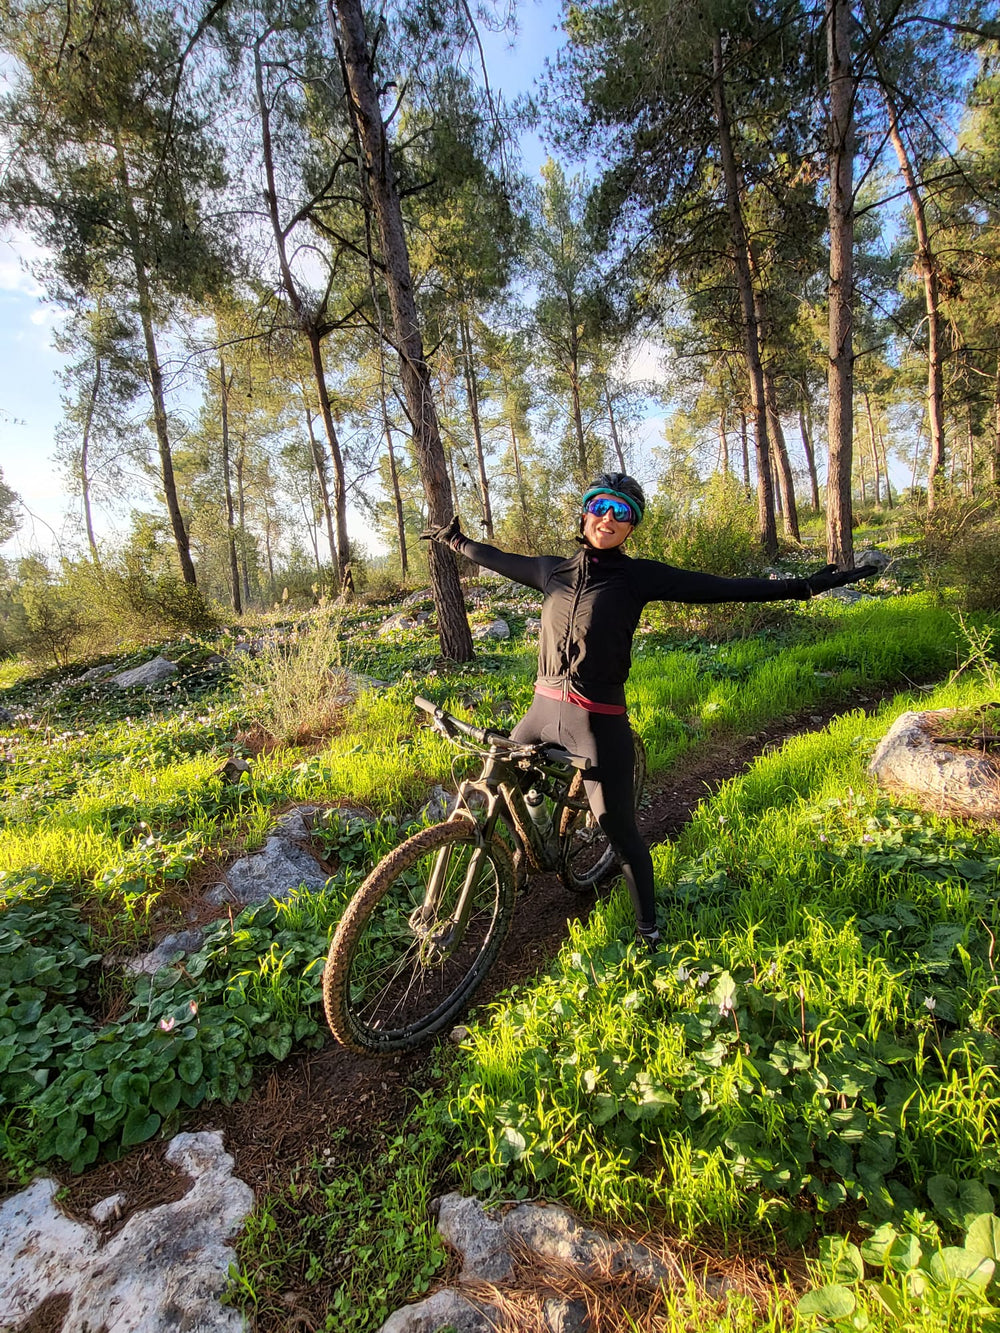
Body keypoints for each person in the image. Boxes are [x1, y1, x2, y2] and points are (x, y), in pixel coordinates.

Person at [422, 473, 876, 952]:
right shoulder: (550, 571)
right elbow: (492, 557)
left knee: (620, 834)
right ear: (585, 512)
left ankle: (649, 932)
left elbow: (723, 587)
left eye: (623, 513)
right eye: (601, 506)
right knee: (508, 782)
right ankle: (538, 833)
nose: (609, 519)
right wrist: (454, 539)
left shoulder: (638, 577)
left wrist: (807, 586)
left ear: (632, 526)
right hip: (539, 712)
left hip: (595, 724)